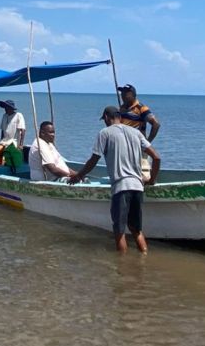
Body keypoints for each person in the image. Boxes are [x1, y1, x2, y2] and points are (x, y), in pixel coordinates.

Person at [69, 106, 161, 253]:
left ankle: (122, 269)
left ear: (106, 117)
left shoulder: (104, 133)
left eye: (104, 120)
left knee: (119, 232)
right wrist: (151, 180)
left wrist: (79, 175)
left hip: (121, 187)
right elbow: (156, 157)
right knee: (137, 230)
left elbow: (93, 160)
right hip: (138, 187)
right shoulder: (136, 132)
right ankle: (143, 259)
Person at [119, 84, 160, 180]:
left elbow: (156, 124)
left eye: (125, 93)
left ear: (132, 94)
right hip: (125, 146)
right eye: (121, 93)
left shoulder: (141, 108)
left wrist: (147, 143)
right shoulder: (121, 108)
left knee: (142, 174)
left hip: (138, 146)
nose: (122, 96)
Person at [0, 99, 26, 166]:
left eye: (7, 107)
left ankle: (4, 168)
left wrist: (21, 144)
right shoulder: (4, 116)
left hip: (13, 141)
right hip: (4, 140)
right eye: (5, 107)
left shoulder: (18, 115)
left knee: (5, 157)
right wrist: (0, 140)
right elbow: (2, 129)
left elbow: (23, 130)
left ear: (11, 108)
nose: (5, 109)